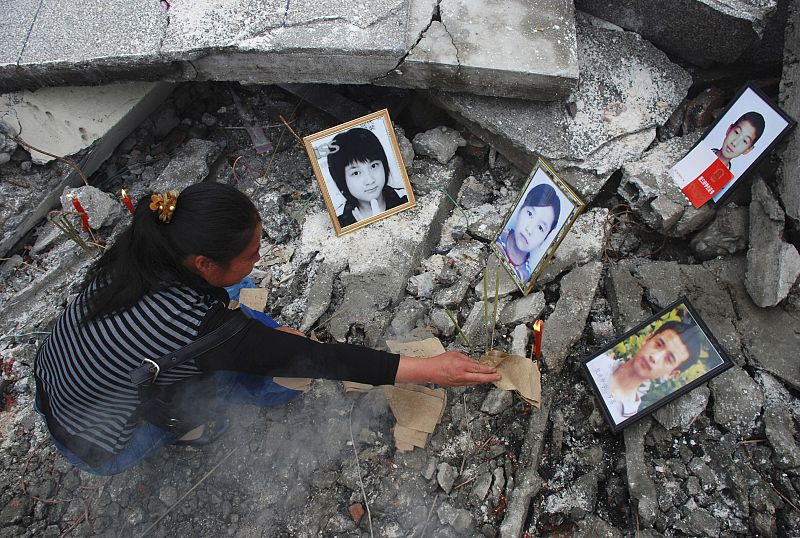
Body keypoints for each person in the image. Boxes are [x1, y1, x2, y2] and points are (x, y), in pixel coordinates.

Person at [33, 183, 499, 475]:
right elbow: (326, 361)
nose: (260, 254)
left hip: (58, 381)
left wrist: (260, 336)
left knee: (246, 302)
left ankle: (240, 343)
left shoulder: (142, 248)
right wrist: (432, 369)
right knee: (279, 380)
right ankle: (186, 428)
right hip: (99, 441)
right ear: (202, 263)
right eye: (251, 251)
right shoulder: (197, 328)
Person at [587, 319, 703, 425]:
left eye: (669, 359)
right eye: (658, 344)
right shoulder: (597, 361)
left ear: (671, 374)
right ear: (648, 339)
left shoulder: (625, 417)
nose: (655, 357)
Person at [326, 128, 408, 228]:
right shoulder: (338, 224)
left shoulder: (406, 198)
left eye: (373, 166)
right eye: (356, 173)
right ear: (342, 180)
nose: (370, 180)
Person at [496, 183, 561, 284]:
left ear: (544, 239)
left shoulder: (526, 277)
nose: (529, 230)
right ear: (520, 210)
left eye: (540, 227)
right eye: (530, 213)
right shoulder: (496, 237)